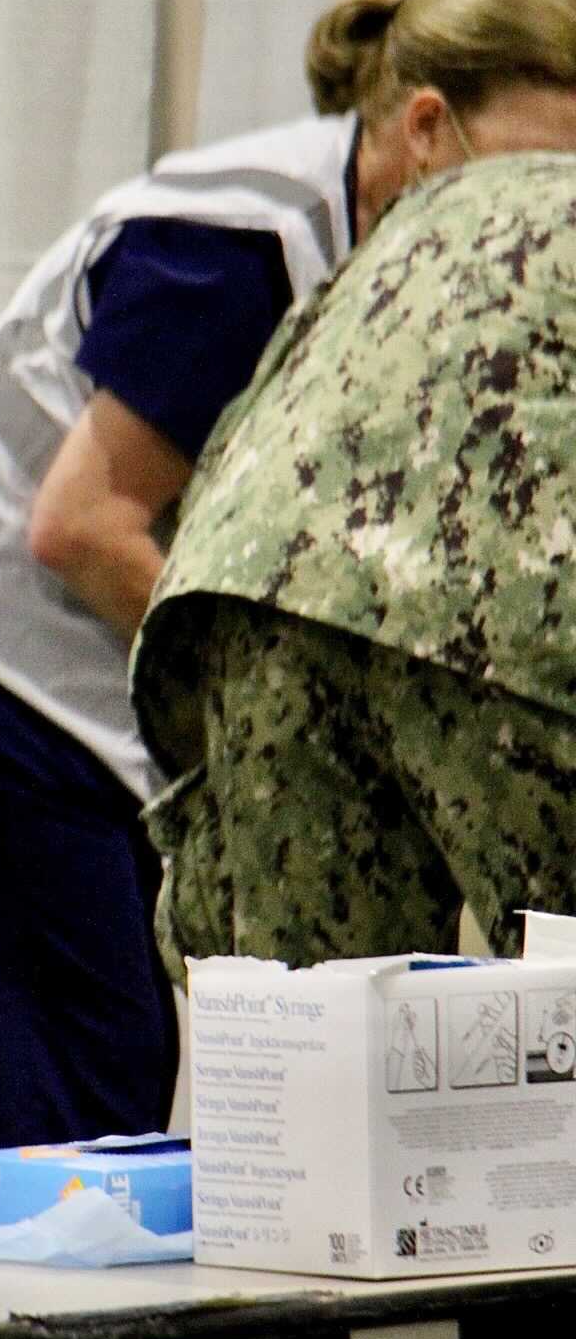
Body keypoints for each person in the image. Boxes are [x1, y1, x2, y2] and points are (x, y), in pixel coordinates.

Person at [0, 0, 576, 1149]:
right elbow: (82, 528)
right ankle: (53, 1324)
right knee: (86, 1053)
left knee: (121, 1035)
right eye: (538, 172)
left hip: (54, 675)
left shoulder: (367, 242)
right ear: (428, 126)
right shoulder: (244, 251)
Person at [133, 151, 576, 971]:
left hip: (261, 593)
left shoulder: (437, 213)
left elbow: (246, 440)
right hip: (498, 614)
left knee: (316, 1039)